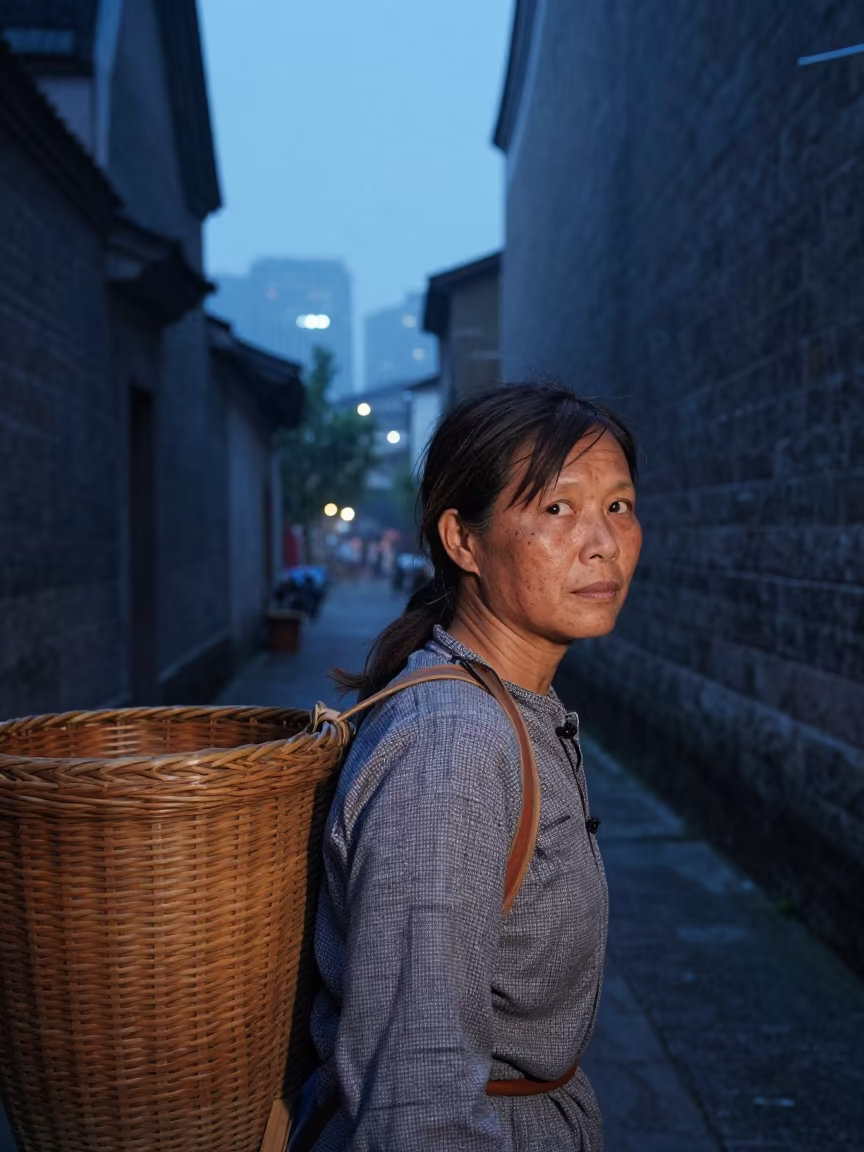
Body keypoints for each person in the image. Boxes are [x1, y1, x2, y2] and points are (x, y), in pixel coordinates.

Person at [308, 383, 642, 1151]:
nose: (603, 542)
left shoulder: (518, 705)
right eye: (557, 509)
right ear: (463, 539)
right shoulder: (451, 747)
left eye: (619, 506)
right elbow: (416, 1105)